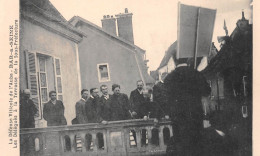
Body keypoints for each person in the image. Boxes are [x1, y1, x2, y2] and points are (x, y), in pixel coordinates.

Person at [164, 57, 211, 156]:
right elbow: (207, 91)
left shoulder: (169, 78)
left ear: (175, 61)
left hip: (178, 118)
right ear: (187, 60)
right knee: (196, 146)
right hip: (195, 116)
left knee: (181, 147)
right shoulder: (196, 74)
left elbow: (166, 99)